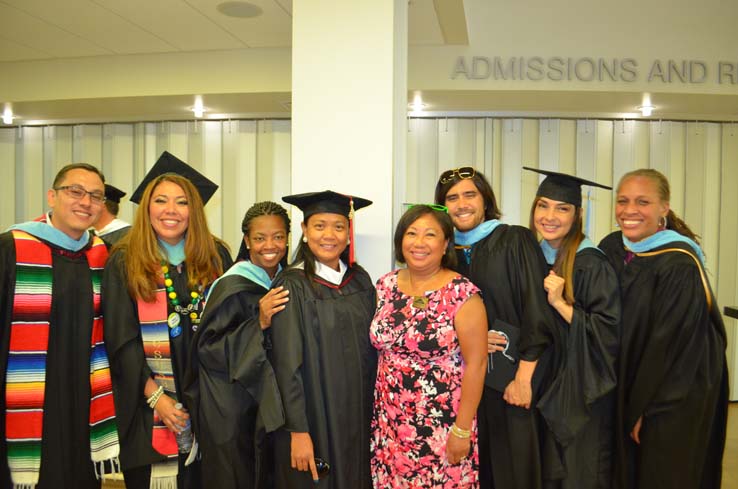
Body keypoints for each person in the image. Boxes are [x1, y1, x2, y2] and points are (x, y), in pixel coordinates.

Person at [102, 151, 232, 489]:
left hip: (208, 404)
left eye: (181, 202)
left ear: (195, 211)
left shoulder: (216, 256)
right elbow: (121, 339)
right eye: (160, 200)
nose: (171, 210)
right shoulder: (124, 260)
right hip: (149, 406)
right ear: (146, 208)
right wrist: (157, 397)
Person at [599, 168, 728, 489]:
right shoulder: (614, 246)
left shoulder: (678, 262)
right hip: (635, 379)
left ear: (664, 209)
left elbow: (669, 348)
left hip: (674, 393)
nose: (629, 211)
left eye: (643, 202)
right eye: (623, 201)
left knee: (663, 473)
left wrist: (644, 409)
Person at [434, 166, 562, 489]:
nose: (461, 204)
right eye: (452, 198)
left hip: (510, 386)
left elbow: (536, 313)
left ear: (485, 199)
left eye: (469, 195)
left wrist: (523, 379)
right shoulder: (444, 254)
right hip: (464, 391)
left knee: (513, 472)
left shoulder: (513, 240)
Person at [0, 163, 120, 489]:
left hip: (86, 392)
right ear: (52, 196)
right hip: (27, 391)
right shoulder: (12, 248)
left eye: (95, 196)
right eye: (75, 192)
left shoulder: (103, 255)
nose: (86, 202)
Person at [370, 204, 487, 488]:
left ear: (446, 243)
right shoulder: (385, 286)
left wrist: (461, 429)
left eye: (430, 234)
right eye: (411, 233)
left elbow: (477, 364)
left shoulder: (463, 294)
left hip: (441, 425)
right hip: (390, 423)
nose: (419, 243)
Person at [270, 190, 376, 489]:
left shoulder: (361, 281)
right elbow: (286, 366)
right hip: (315, 419)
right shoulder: (292, 285)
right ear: (304, 231)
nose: (329, 235)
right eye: (319, 226)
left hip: (358, 415)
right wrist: (298, 431)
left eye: (339, 226)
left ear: (348, 234)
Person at [524, 167, 620, 489]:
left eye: (562, 208)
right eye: (543, 205)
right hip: (542, 387)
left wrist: (562, 304)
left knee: (579, 474)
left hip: (581, 394)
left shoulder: (592, 262)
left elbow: (608, 334)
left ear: (578, 214)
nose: (550, 216)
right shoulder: (533, 258)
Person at [192, 201, 291, 489]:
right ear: (247, 240)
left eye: (278, 237)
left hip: (268, 403)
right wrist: (257, 323)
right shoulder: (233, 285)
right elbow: (207, 350)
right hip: (232, 408)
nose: (269, 245)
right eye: (259, 238)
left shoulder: (286, 280)